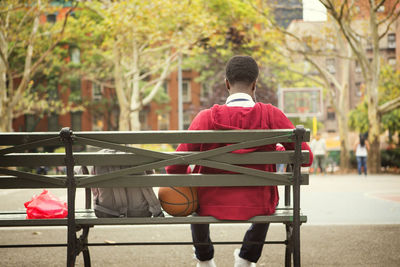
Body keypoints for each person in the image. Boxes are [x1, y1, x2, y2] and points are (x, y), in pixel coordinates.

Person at [165, 55, 313, 267]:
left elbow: (173, 166)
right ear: (255, 84)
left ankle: (205, 259)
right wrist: (277, 149)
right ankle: (246, 258)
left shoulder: (205, 118)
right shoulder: (271, 115)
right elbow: (306, 159)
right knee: (271, 198)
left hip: (209, 203)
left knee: (194, 192)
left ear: (227, 83)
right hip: (258, 203)